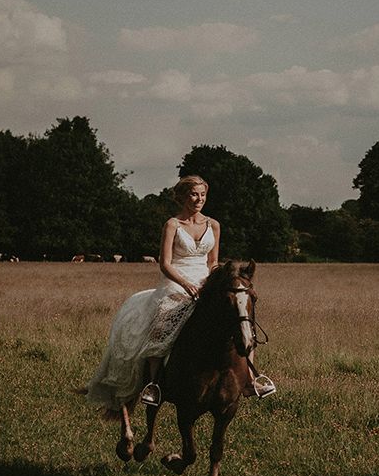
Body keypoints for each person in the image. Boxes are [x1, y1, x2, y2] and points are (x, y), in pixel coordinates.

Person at [85, 175, 275, 413]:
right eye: (194, 194)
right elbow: (165, 263)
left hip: (204, 280)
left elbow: (213, 262)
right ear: (184, 197)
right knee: (163, 320)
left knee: (239, 319)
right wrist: (186, 284)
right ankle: (153, 385)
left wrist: (217, 281)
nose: (199, 199)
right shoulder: (172, 225)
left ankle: (249, 377)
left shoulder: (213, 225)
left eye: (203, 195)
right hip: (176, 281)